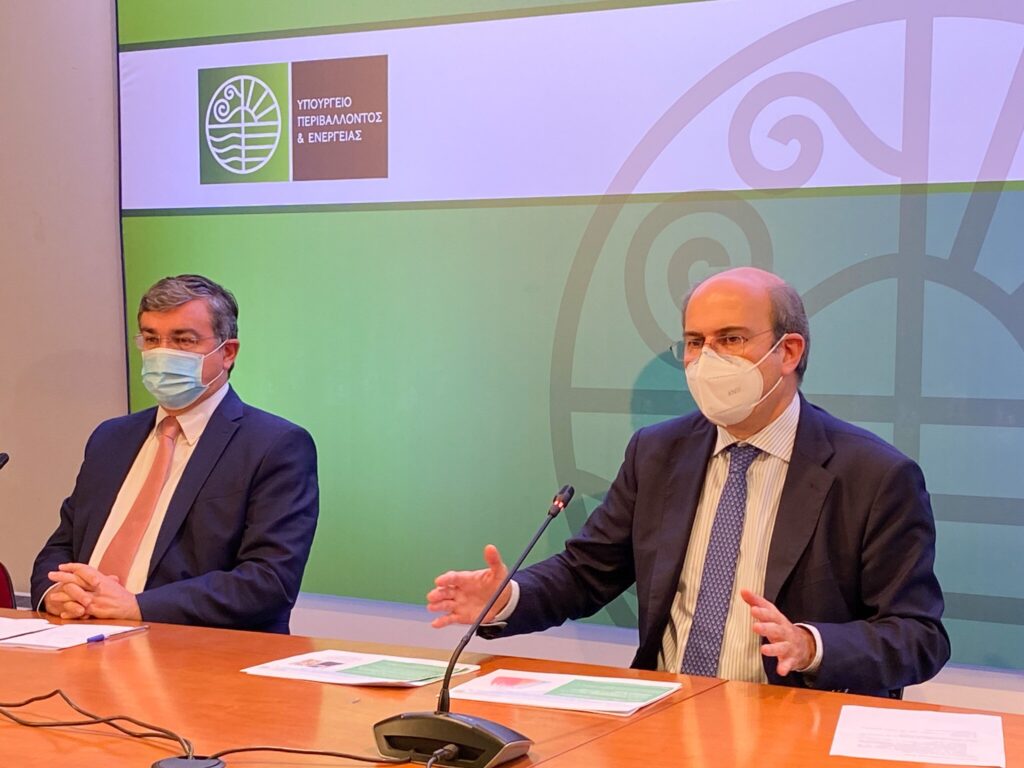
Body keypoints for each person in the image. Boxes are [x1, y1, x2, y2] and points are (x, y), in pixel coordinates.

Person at [428, 267, 949, 697]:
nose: (707, 359)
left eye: (731, 339)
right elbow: (588, 572)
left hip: (794, 725)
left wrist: (812, 646)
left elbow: (918, 635)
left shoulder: (874, 475)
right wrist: (507, 598)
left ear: (789, 352)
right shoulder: (657, 452)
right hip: (663, 715)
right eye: (696, 342)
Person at [30, 275, 318, 633]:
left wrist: (137, 607)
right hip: (81, 638)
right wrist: (57, 591)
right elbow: (62, 545)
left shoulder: (275, 445)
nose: (162, 353)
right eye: (152, 339)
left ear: (227, 353)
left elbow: (269, 580)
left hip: (197, 650)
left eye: (183, 340)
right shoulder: (110, 438)